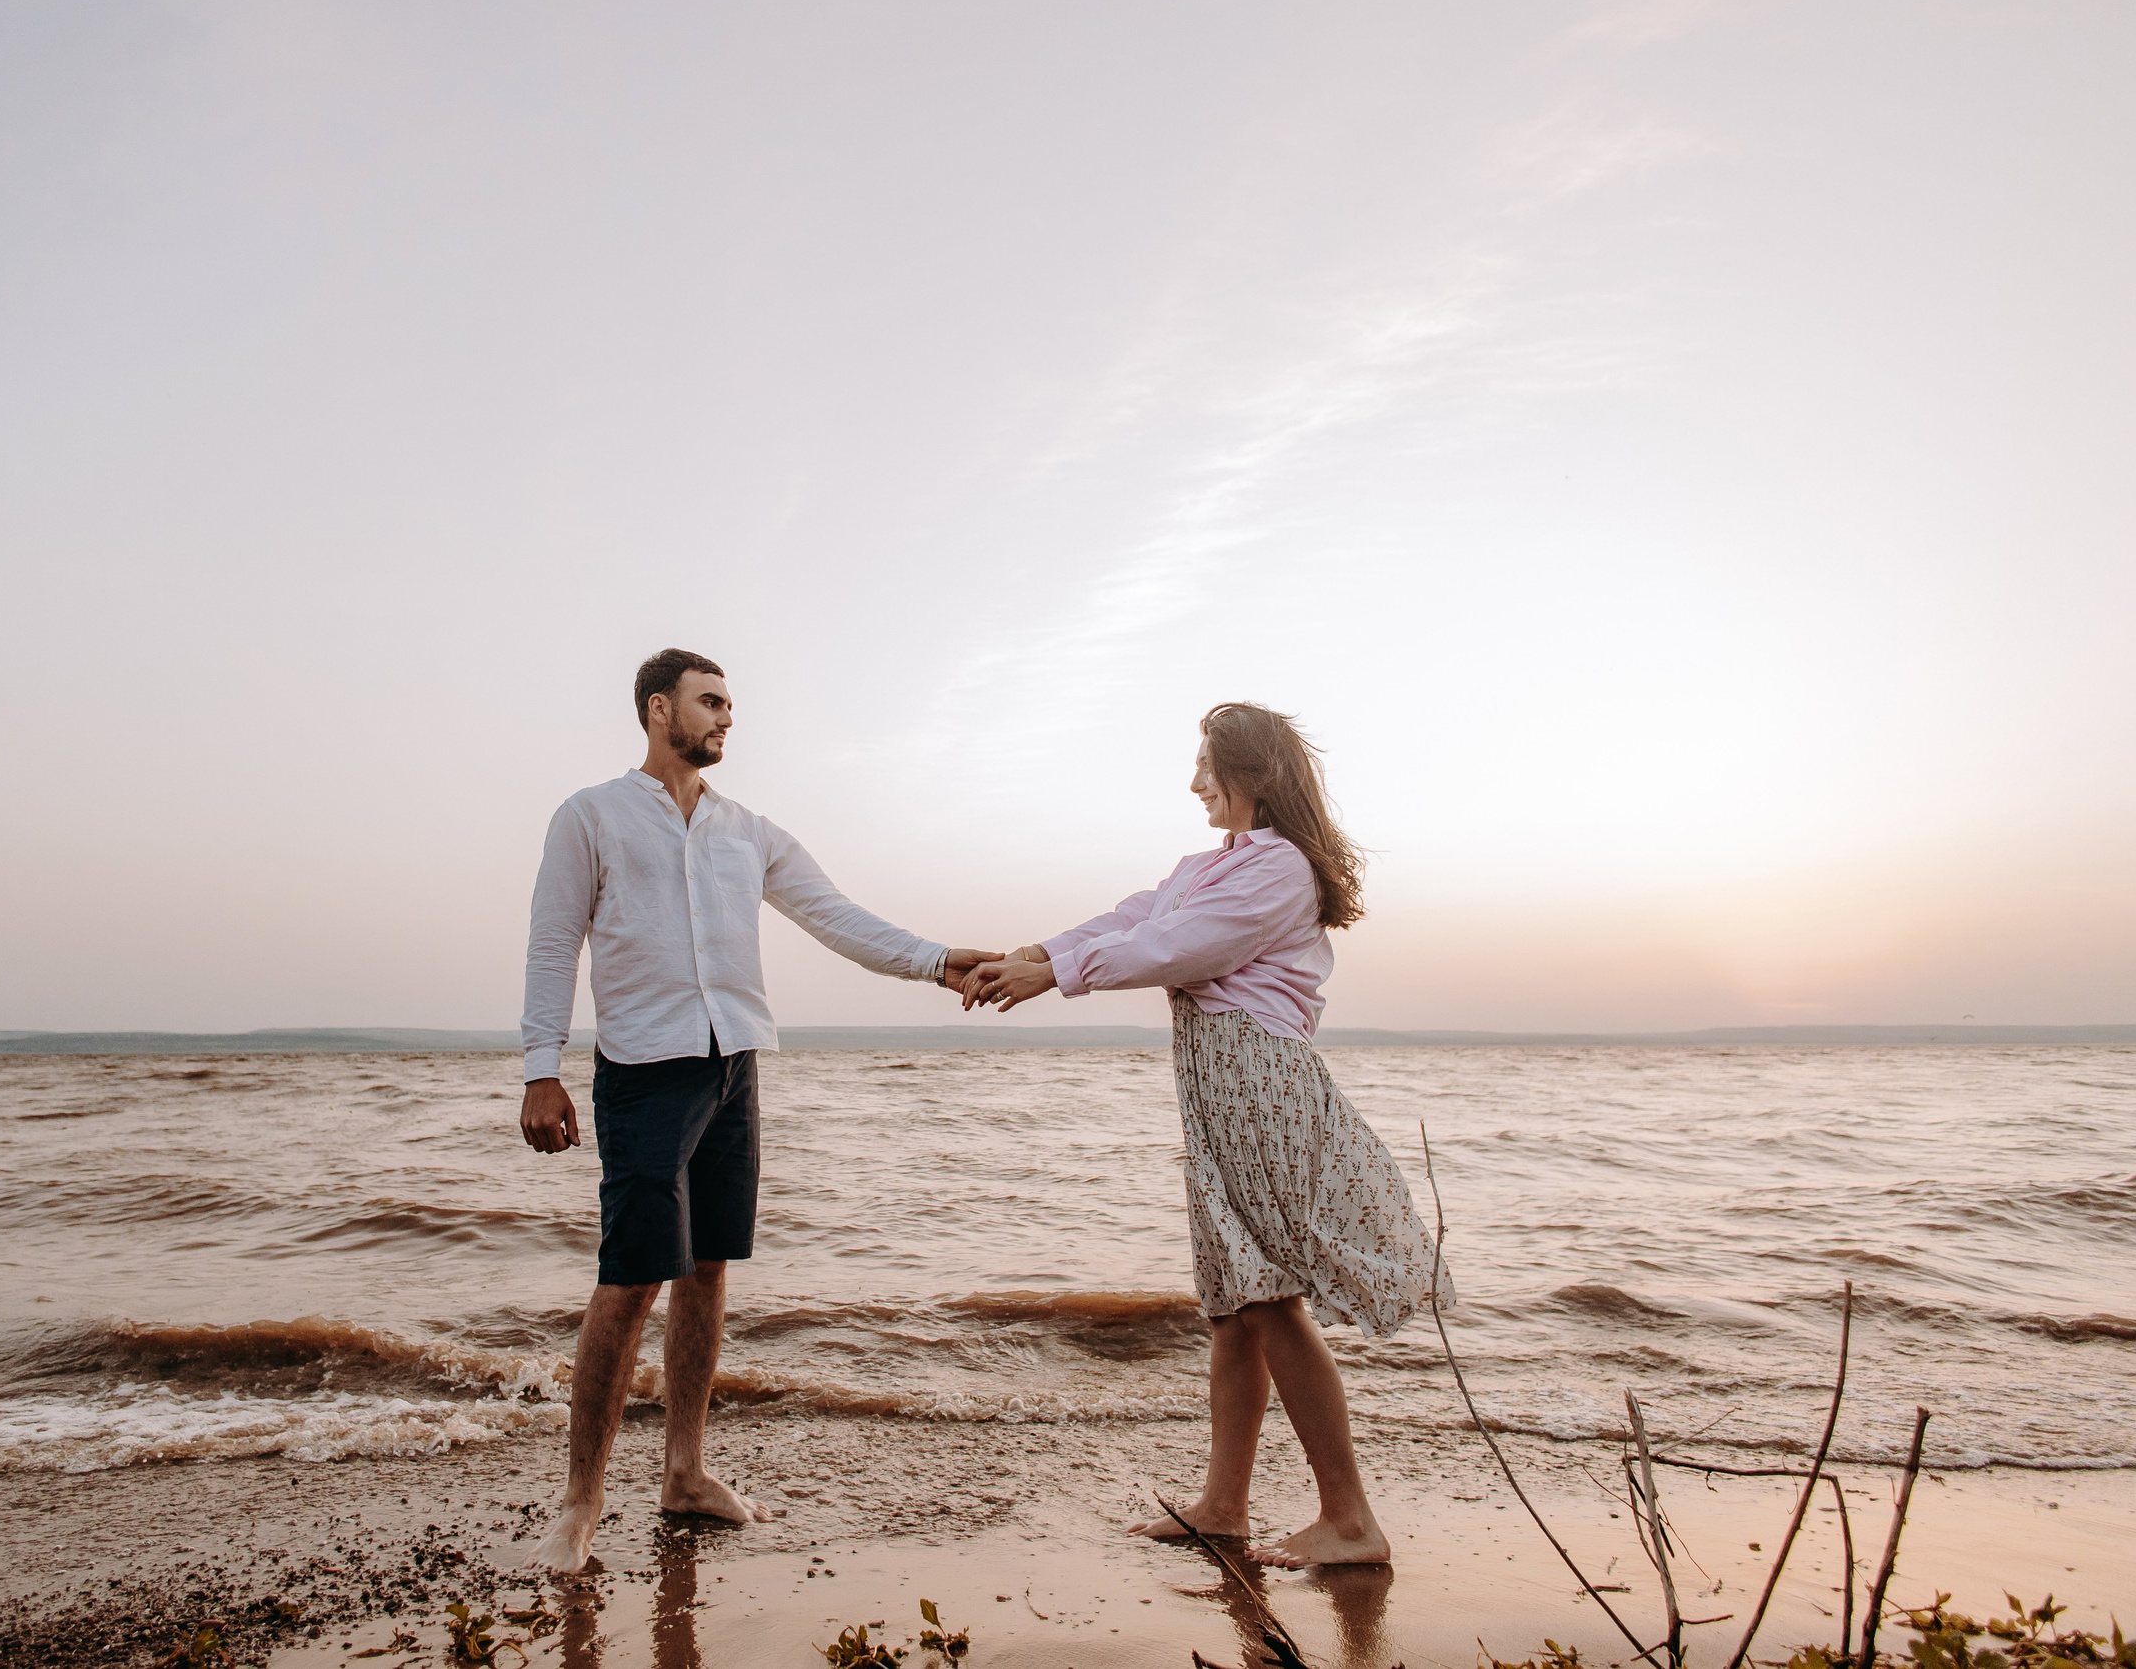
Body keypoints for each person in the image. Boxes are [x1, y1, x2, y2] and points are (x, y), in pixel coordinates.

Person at [518, 647, 998, 1574]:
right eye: (711, 702)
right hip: (644, 1072)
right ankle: (578, 1505)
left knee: (708, 1270)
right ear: (660, 710)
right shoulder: (590, 816)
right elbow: (551, 944)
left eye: (730, 704)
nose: (727, 717)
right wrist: (543, 1068)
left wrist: (938, 961)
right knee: (629, 1282)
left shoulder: (747, 829)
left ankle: (685, 1474)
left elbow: (837, 916)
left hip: (735, 1064)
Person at [960, 701, 1450, 1568]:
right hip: (1218, 1088)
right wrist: (1029, 951)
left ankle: (1348, 1519)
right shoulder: (1210, 863)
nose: (1194, 784)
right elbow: (1133, 918)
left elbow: (1179, 948)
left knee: (1267, 1296)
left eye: (1206, 767)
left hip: (1261, 1085)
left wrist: (1055, 978)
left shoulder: (1280, 872)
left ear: (1252, 777)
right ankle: (1223, 1507)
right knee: (1230, 1303)